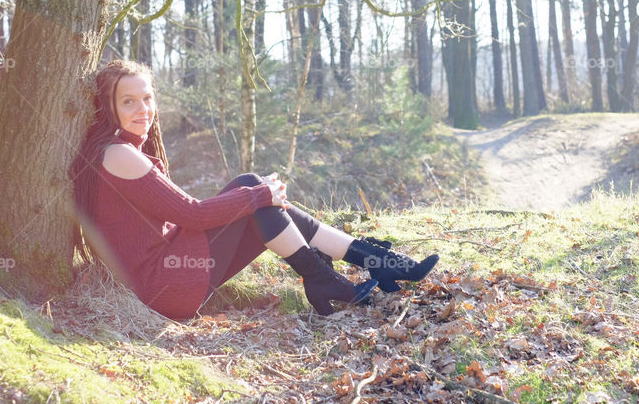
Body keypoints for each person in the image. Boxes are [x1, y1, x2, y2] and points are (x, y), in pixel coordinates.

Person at [69, 59, 438, 320]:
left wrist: (258, 197)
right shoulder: (118, 155)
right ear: (107, 107)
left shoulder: (121, 150)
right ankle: (334, 275)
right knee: (251, 189)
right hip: (164, 286)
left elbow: (185, 218)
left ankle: (376, 265)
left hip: (170, 276)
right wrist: (260, 194)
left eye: (147, 98)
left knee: (255, 200)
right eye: (128, 102)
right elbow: (191, 214)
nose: (143, 109)